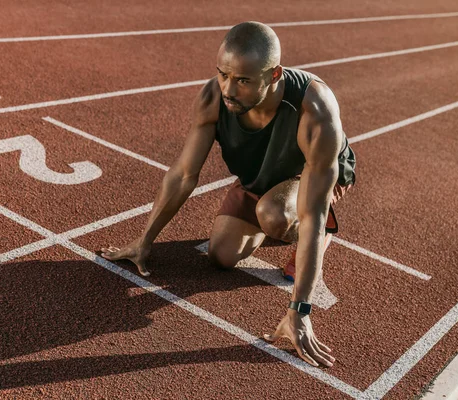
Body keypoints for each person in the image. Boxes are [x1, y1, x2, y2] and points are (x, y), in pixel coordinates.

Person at [101, 21, 356, 368]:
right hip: (263, 173)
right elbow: (183, 174)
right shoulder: (214, 97)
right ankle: (271, 205)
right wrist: (145, 239)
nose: (229, 89)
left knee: (276, 215)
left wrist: (299, 311)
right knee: (220, 256)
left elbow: (311, 213)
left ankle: (317, 233)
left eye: (243, 80)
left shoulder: (315, 110)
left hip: (310, 173)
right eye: (223, 74)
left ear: (275, 74)